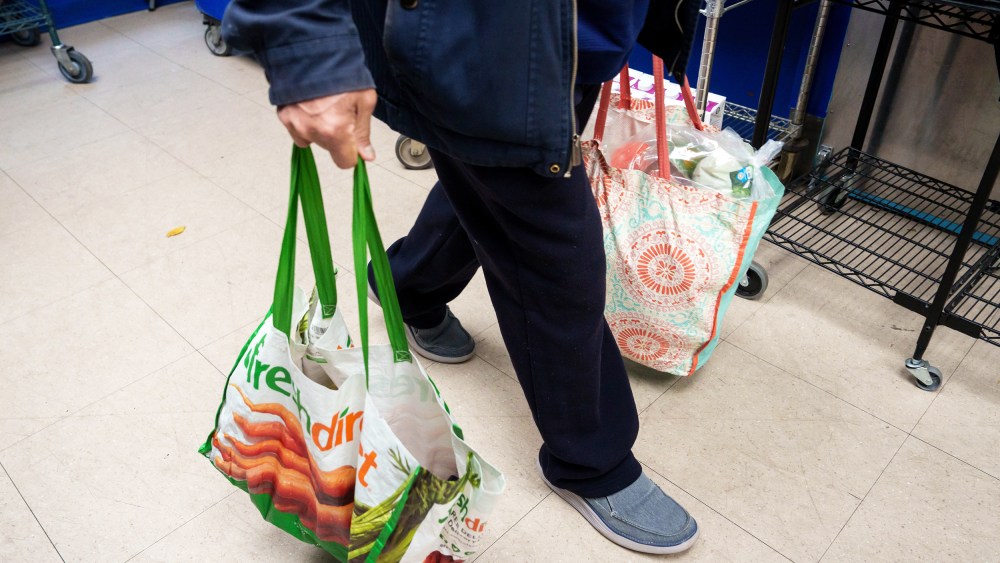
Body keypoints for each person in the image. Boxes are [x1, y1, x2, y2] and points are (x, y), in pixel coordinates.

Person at [223, 0, 702, 554]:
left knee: (487, 173)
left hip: (560, 38)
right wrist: (303, 46)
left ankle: (409, 284)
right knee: (556, 255)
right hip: (479, 41)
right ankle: (591, 458)